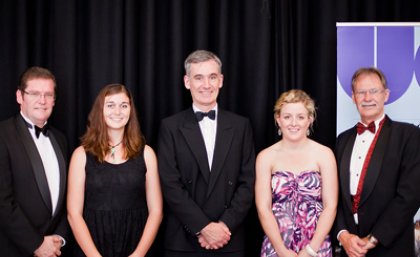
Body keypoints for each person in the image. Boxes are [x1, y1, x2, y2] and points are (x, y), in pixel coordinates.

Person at [157, 50, 256, 257]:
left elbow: (248, 183)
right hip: (183, 241)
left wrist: (223, 226)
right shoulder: (170, 127)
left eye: (212, 77)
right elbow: (170, 184)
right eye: (198, 78)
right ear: (187, 82)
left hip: (229, 238)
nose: (206, 85)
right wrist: (203, 227)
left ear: (221, 80)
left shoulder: (240, 126)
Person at [67, 84, 163, 257]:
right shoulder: (80, 155)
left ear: (130, 111)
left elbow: (156, 211)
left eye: (124, 105)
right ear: (100, 110)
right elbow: (74, 214)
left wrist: (138, 254)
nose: (117, 111)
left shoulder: (147, 153)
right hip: (92, 247)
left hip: (137, 246)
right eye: (110, 105)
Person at [334, 67, 420, 257]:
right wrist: (343, 235)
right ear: (353, 98)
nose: (367, 97)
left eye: (374, 91)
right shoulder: (342, 140)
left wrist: (373, 239)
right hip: (349, 249)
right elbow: (335, 194)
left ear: (386, 95)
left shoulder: (409, 135)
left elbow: (410, 196)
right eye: (361, 92)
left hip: (391, 248)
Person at [255, 89, 338, 257]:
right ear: (278, 119)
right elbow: (263, 208)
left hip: (316, 246)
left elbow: (330, 206)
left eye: (300, 117)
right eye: (287, 117)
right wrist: (282, 251)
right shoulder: (265, 157)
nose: (294, 123)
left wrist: (311, 250)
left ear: (310, 119)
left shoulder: (324, 154)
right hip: (277, 246)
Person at [0, 66, 69, 257]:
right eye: (35, 93)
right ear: (20, 97)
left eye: (48, 94)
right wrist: (36, 244)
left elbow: (66, 199)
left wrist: (58, 239)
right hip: (13, 250)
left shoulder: (61, 139)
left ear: (54, 100)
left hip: (55, 250)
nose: (42, 100)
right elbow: (3, 203)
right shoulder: (2, 135)